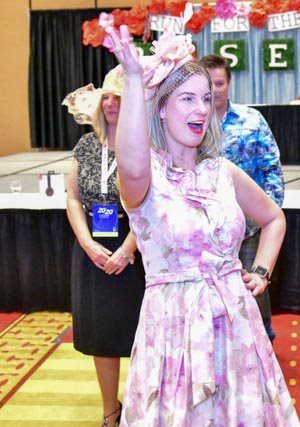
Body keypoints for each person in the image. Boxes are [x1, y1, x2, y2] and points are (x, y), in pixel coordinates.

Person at [104, 26, 299, 426]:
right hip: (174, 333)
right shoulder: (147, 178)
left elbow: (273, 218)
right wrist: (135, 80)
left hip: (236, 326)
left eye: (206, 98)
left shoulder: (222, 171)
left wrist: (262, 271)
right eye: (188, 98)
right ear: (161, 108)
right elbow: (132, 165)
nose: (202, 109)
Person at [62, 65, 146, 427]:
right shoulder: (85, 145)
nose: (111, 103)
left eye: (119, 98)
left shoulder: (145, 146)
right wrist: (87, 243)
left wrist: (127, 250)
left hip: (137, 247)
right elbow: (72, 197)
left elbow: (152, 205)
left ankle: (144, 410)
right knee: (102, 335)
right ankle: (111, 411)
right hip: (93, 248)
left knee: (144, 336)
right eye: (106, 97)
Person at [199, 54, 284, 342]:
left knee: (253, 291)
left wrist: (267, 217)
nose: (214, 90)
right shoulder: (189, 122)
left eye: (219, 83)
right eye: (208, 84)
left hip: (248, 228)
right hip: (204, 232)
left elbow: (271, 169)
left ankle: (263, 345)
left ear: (229, 83)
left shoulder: (252, 120)